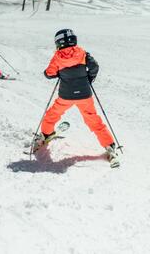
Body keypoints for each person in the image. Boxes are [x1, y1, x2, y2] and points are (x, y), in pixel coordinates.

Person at [38, 29, 119, 166]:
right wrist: (88, 79)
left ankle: (46, 134)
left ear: (58, 43)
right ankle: (109, 145)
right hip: (84, 95)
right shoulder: (83, 53)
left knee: (52, 114)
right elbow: (94, 67)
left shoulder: (58, 57)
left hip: (66, 96)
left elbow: (49, 73)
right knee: (93, 119)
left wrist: (59, 73)